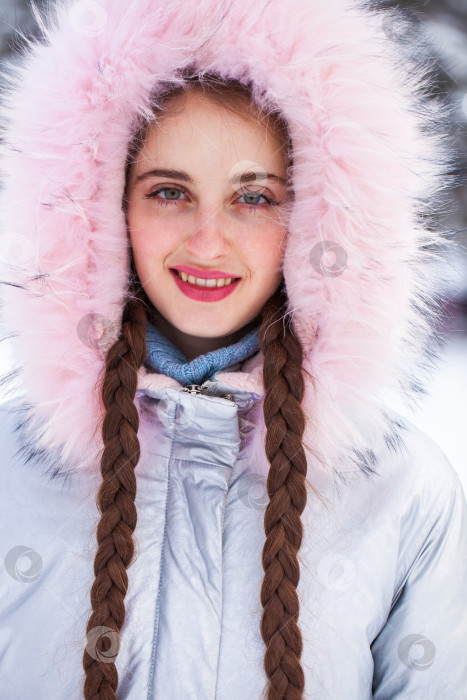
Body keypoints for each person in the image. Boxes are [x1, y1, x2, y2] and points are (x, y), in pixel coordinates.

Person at [0, 0, 466, 698]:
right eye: (167, 191)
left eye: (252, 198)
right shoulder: (14, 472)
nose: (207, 240)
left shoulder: (400, 494)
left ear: (318, 215)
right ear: (100, 206)